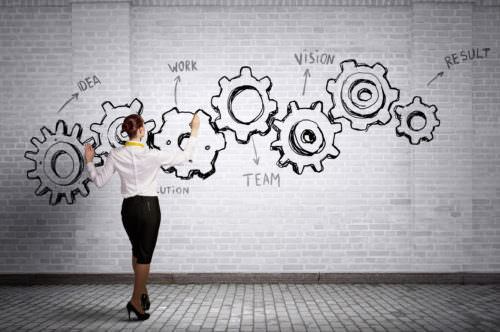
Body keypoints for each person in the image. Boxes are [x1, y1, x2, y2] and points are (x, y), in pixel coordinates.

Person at [84, 112, 200, 321]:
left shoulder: (115, 154)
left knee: (137, 251)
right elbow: (184, 158)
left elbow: (99, 182)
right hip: (148, 207)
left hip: (128, 209)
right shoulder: (152, 154)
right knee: (145, 256)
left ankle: (142, 294)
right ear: (140, 130)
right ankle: (135, 300)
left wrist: (90, 162)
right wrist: (194, 130)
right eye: (143, 126)